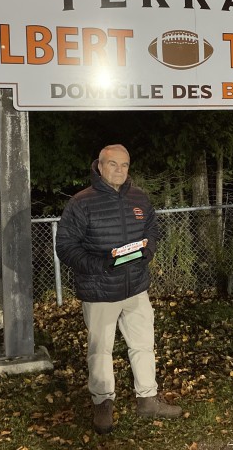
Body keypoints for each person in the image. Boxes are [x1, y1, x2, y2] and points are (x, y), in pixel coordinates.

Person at [56, 144, 181, 434]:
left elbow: (152, 229)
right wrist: (100, 264)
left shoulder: (138, 197)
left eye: (125, 165)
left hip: (136, 287)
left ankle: (147, 399)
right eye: (114, 164)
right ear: (99, 166)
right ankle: (103, 405)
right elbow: (65, 247)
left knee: (143, 345)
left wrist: (147, 252)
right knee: (100, 351)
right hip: (100, 291)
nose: (120, 170)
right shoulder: (81, 203)